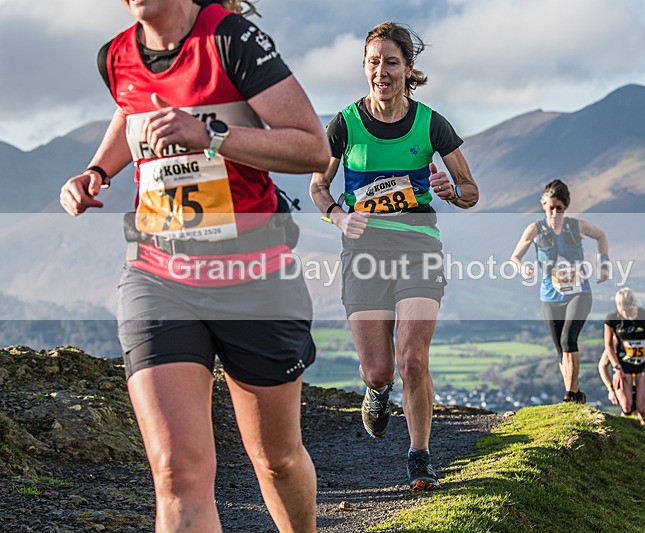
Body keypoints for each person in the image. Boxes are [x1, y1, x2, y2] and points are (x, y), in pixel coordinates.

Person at [59, 1, 329, 531]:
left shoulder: (231, 41)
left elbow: (312, 148)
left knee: (276, 460)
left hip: (254, 276)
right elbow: (132, 111)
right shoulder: (115, 56)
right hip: (158, 274)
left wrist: (212, 136)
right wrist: (97, 170)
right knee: (177, 472)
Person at [309, 21, 478, 492]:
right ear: (365, 67)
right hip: (363, 255)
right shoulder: (344, 124)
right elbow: (318, 186)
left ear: (408, 69)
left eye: (391, 62)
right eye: (373, 62)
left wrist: (451, 190)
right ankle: (377, 390)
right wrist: (339, 218)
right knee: (380, 368)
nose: (381, 71)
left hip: (419, 249)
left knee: (413, 360)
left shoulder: (431, 123)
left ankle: (419, 456)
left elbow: (471, 191)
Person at [511, 179, 609, 403]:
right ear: (543, 205)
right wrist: (522, 268)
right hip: (550, 296)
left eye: (559, 208)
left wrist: (604, 263)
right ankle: (574, 395)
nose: (554, 212)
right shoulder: (535, 229)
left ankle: (570, 395)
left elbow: (601, 236)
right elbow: (515, 257)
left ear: (565, 208)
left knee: (568, 340)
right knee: (559, 350)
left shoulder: (578, 226)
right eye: (550, 207)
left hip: (579, 293)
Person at [603, 288, 645, 424]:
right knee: (626, 406)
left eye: (630, 311)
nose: (627, 315)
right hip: (623, 365)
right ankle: (630, 438)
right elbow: (608, 346)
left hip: (643, 365)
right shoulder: (611, 319)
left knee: (642, 407)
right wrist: (616, 368)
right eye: (623, 311)